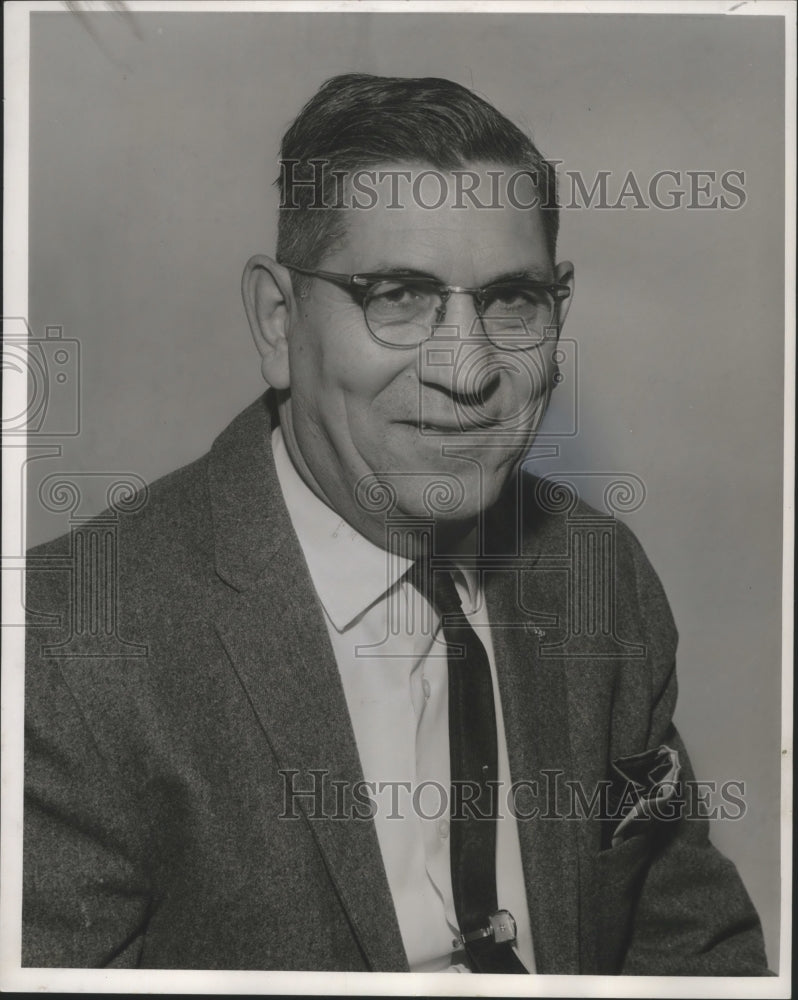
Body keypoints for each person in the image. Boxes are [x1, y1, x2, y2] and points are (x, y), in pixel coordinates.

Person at [23, 73, 769, 974]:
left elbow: (697, 958)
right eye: (399, 296)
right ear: (276, 319)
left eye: (511, 301)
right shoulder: (64, 647)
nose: (467, 371)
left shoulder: (596, 574)